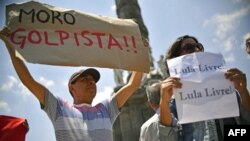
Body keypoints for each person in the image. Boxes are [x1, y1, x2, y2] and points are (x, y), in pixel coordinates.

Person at [0, 26, 143, 141]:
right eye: (84, 79)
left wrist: (141, 53)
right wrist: (10, 47)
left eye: (93, 80)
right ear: (71, 87)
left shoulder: (106, 109)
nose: (91, 83)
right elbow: (28, 80)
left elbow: (133, 85)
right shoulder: (59, 108)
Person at [141, 35, 250, 141]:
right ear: (175, 58)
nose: (196, 49)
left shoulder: (226, 91)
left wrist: (243, 92)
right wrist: (164, 103)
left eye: (199, 46)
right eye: (189, 47)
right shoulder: (173, 104)